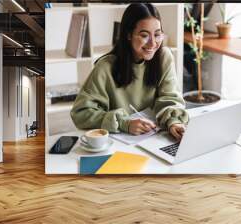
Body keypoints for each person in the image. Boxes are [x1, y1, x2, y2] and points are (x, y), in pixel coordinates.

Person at [71, 3, 188, 141]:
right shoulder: (105, 67)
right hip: (119, 142)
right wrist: (124, 123)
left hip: (156, 138)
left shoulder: (164, 57)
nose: (152, 44)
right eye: (144, 35)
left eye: (157, 35)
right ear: (128, 34)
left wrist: (174, 121)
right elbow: (80, 113)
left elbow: (170, 98)